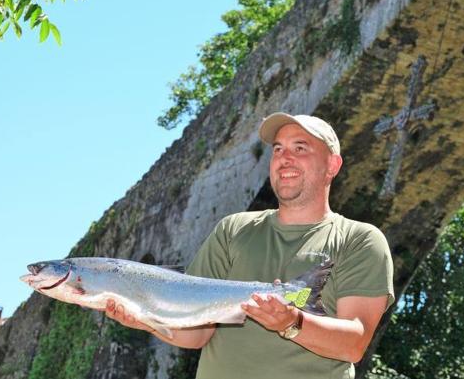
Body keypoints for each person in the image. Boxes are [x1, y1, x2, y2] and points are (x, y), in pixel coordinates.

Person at [105, 112, 394, 379]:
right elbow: (196, 335)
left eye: (300, 148)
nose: (284, 158)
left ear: (332, 165)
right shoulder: (233, 229)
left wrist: (291, 323)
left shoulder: (360, 240)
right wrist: (146, 319)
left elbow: (354, 344)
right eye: (278, 149)